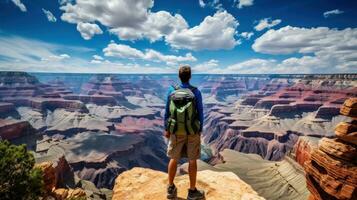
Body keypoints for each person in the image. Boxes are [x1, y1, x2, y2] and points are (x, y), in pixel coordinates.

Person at [164, 65, 205, 200]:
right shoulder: (196, 92)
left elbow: (167, 111)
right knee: (192, 160)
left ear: (179, 76)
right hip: (192, 130)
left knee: (173, 158)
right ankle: (192, 191)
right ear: (190, 76)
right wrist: (200, 129)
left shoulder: (171, 90)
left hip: (176, 130)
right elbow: (200, 112)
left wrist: (167, 128)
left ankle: (170, 188)